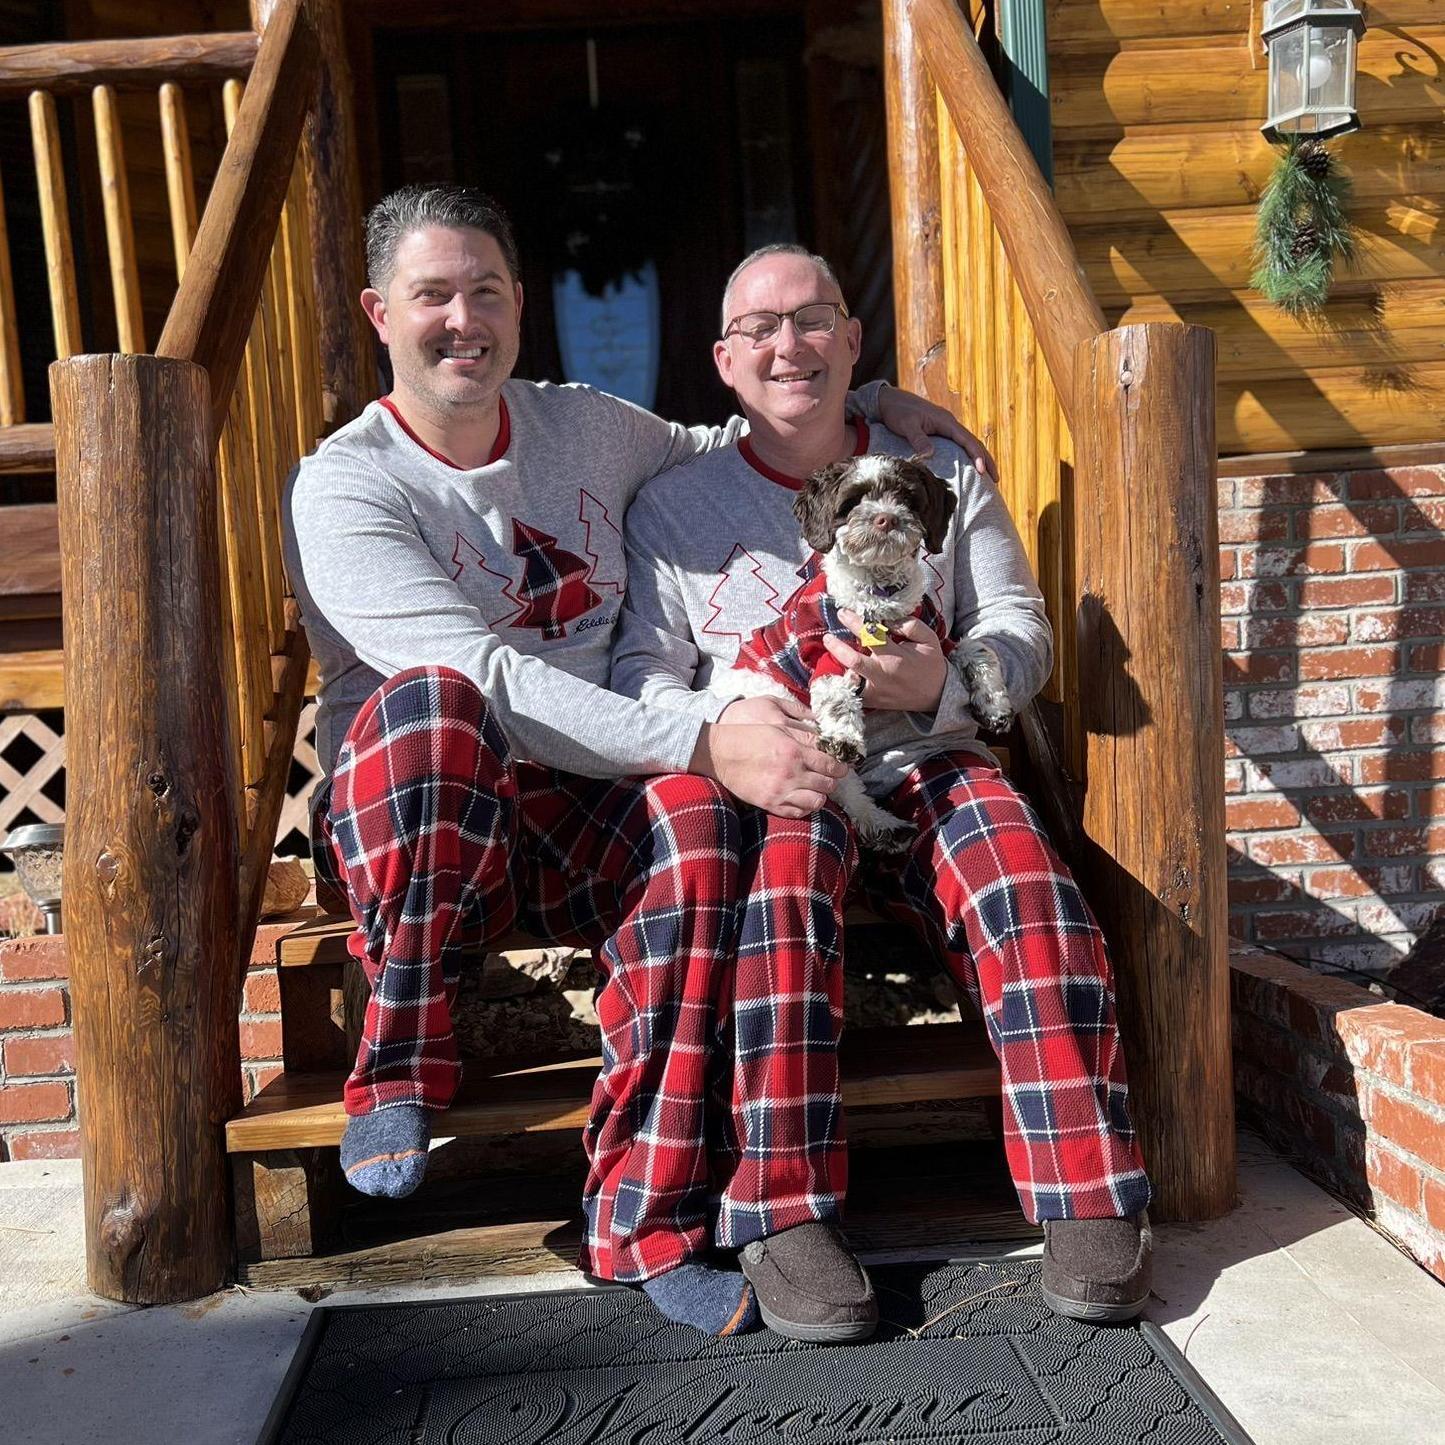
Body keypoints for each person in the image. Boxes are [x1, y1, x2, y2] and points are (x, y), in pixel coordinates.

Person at [282, 184, 985, 1339]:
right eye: (432, 295)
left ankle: (641, 1218)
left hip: (582, 796)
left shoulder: (586, 425)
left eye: (486, 292)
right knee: (436, 706)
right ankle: (398, 1056)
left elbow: (736, 440)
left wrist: (858, 398)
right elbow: (490, 678)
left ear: (519, 305)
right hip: (429, 819)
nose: (463, 319)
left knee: (697, 827)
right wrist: (705, 737)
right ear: (379, 312)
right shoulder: (347, 481)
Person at [611, 243, 1155, 1329]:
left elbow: (1019, 625)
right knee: (777, 909)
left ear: (853, 340)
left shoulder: (939, 472)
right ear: (723, 359)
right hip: (781, 778)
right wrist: (723, 729)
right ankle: (781, 1209)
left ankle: (1088, 1190)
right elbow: (639, 672)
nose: (788, 346)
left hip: (928, 754)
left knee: (1022, 883)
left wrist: (948, 680)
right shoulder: (672, 505)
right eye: (759, 328)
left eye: (812, 319)